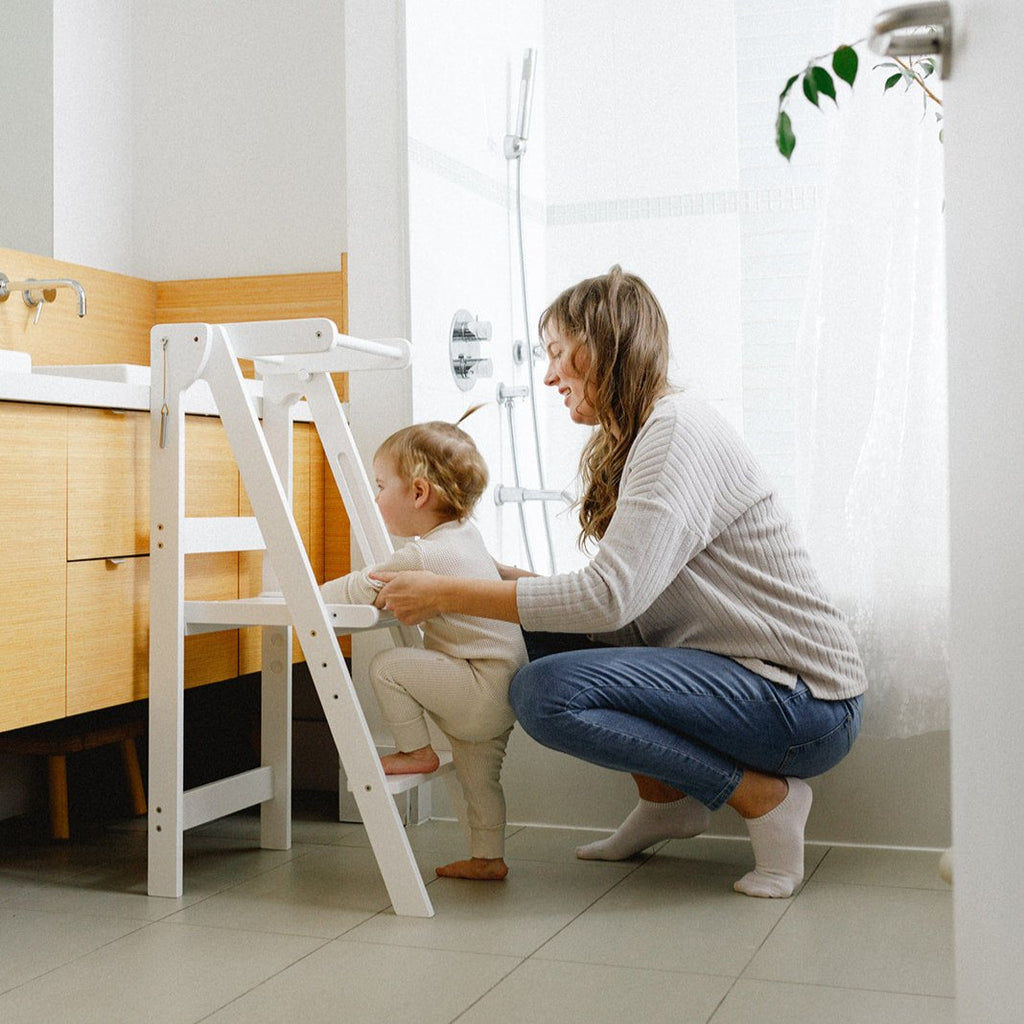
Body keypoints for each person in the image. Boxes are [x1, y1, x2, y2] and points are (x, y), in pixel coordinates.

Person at [372, 265, 867, 899]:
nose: (549, 375)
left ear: (604, 345)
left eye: (557, 353)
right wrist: (498, 581)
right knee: (535, 642)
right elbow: (631, 609)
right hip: (744, 677)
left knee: (543, 690)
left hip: (802, 700)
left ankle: (764, 798)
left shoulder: (675, 430)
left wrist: (448, 592)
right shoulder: (639, 437)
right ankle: (666, 802)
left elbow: (610, 598)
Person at [321, 413, 527, 881]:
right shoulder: (466, 539)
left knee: (390, 665)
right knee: (480, 779)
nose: (375, 498)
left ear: (417, 493)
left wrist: (309, 595)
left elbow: (363, 587)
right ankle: (488, 857)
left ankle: (415, 751)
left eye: (380, 486)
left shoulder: (424, 553)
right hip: (502, 689)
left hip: (476, 684)